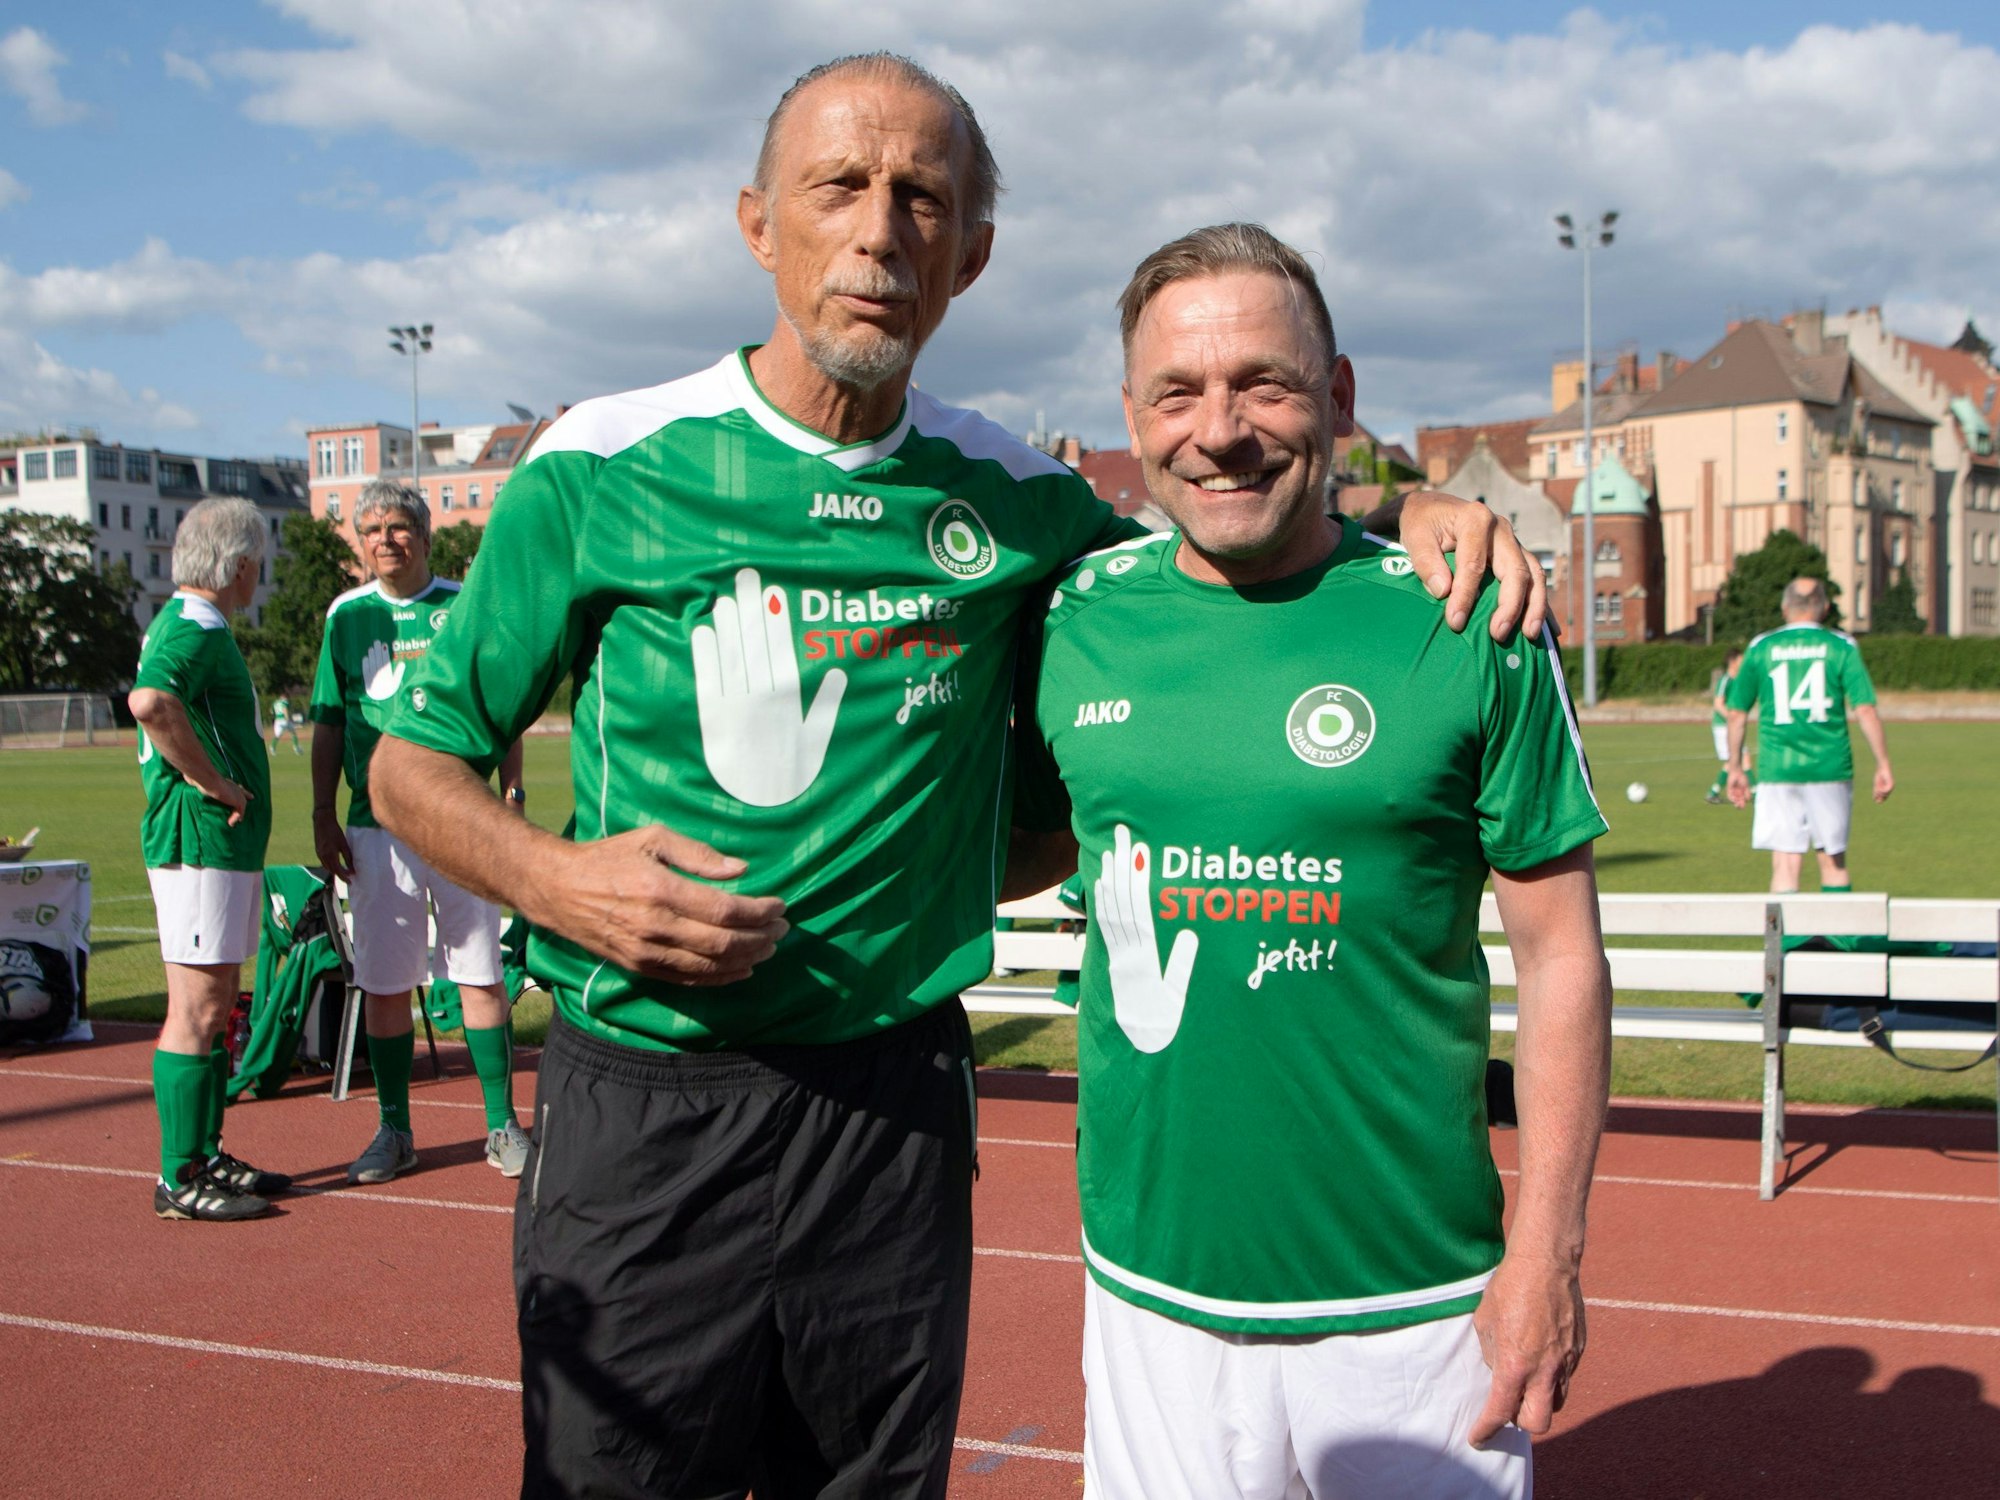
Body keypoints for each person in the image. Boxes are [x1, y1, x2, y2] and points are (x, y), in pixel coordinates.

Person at [367, 54, 1547, 1499]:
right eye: (838, 188)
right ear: (757, 224)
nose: (879, 233)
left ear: (970, 256)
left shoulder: (1025, 506)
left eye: (922, 199)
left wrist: (1414, 511)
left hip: (895, 1107)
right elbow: (410, 767)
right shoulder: (602, 461)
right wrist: (564, 886)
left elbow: (1233, 520)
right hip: (650, 1102)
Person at [1012, 224, 1613, 1499]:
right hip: (1151, 1293)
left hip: (1418, 1303)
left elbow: (1560, 958)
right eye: (1176, 393)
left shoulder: (1470, 617)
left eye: (1263, 385)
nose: (1217, 432)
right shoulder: (1068, 619)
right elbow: (991, 844)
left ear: (1336, 396)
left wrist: (1546, 1253)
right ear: (1130, 413)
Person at [308, 479, 531, 1182]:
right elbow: (329, 721)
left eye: (399, 526)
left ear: (425, 536)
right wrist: (321, 813)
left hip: (463, 819)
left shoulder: (465, 604)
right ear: (360, 542)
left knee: (481, 973)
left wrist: (512, 793)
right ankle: (395, 1129)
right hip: (376, 827)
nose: (386, 539)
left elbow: (503, 706)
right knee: (384, 983)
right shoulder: (346, 616)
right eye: (372, 529)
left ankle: (502, 1126)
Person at [129, 498, 293, 1221]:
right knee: (197, 1006)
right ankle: (179, 1174)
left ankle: (204, 1151)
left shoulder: (199, 623)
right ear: (240, 565)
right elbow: (150, 702)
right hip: (198, 839)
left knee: (217, 1002)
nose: (260, 574)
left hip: (218, 845)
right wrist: (216, 783)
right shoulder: (193, 625)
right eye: (258, 562)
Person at [1725, 577, 1893, 893]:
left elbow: (1736, 713)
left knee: (1785, 864)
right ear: (1825, 608)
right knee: (1833, 861)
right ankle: (1837, 925)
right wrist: (1882, 764)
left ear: (1784, 607)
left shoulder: (1762, 646)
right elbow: (1865, 709)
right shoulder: (1841, 645)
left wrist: (1735, 768)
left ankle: (1783, 928)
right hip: (1830, 767)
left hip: (1778, 769)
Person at [1705, 646, 1745, 803]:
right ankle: (1755, 792)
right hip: (1722, 726)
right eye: (1741, 660)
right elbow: (1718, 704)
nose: (1743, 662)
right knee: (1740, 757)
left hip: (1730, 726)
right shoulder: (1726, 680)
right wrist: (1731, 718)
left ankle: (1714, 791)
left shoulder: (1738, 680)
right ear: (1732, 662)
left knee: (1735, 759)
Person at [269, 691, 303, 755]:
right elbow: (284, 709)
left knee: (277, 735)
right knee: (293, 733)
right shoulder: (284, 702)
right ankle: (296, 748)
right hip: (284, 720)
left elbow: (271, 711)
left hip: (277, 721)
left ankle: (272, 748)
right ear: (285, 697)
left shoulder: (275, 702)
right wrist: (287, 718)